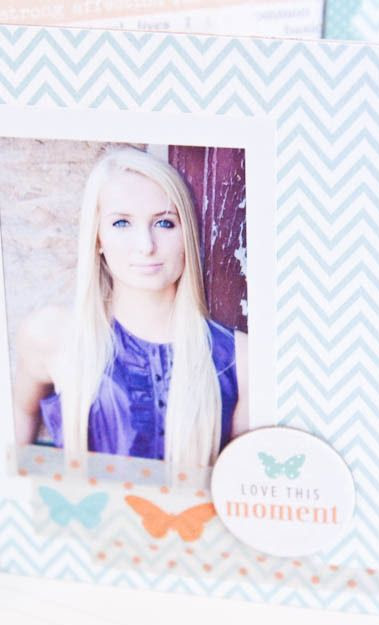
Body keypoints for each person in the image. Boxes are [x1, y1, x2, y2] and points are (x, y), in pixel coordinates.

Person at [12, 147, 248, 472]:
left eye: (164, 223)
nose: (146, 246)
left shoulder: (240, 359)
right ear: (97, 237)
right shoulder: (52, 335)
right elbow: (19, 414)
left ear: (187, 234)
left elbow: (241, 482)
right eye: (121, 223)